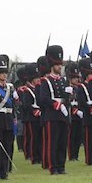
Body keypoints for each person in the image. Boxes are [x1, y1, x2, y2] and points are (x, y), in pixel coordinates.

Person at [40, 45, 71, 175]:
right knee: (52, 142)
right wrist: (57, 105)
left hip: (62, 115)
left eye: (60, 64)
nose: (60, 67)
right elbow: (43, 99)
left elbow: (66, 98)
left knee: (62, 141)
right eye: (58, 64)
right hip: (52, 115)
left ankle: (61, 165)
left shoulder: (63, 81)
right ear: (52, 65)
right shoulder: (45, 81)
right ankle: (53, 167)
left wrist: (69, 95)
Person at [77, 57, 92, 165]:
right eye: (90, 74)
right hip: (88, 116)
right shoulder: (82, 87)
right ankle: (89, 159)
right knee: (89, 139)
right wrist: (90, 108)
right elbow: (82, 102)